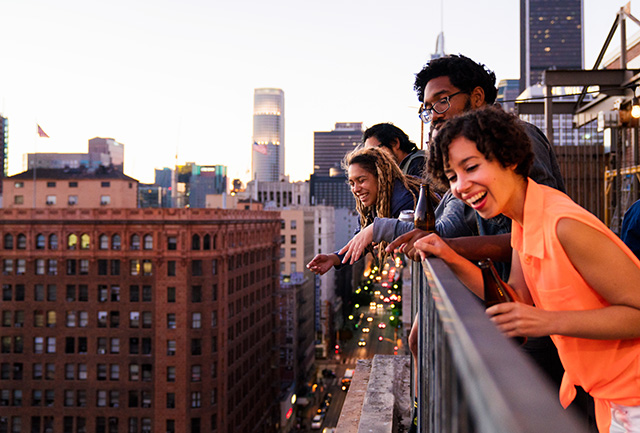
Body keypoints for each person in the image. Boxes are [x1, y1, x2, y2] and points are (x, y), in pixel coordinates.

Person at [414, 106, 640, 433]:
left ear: (510, 159)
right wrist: (449, 257)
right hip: (608, 398)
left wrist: (547, 321)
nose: (461, 186)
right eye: (452, 176)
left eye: (471, 167)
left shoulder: (563, 224)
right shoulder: (527, 219)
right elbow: (517, 299)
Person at [306, 146, 422, 275]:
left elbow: (421, 233)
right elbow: (360, 240)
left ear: (381, 177)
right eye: (352, 183)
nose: (355, 189)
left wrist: (377, 228)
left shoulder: (405, 198)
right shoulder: (374, 204)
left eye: (361, 181)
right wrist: (333, 258)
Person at [362, 123, 427, 178]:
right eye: (368, 154)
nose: (373, 157)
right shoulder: (402, 168)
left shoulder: (418, 163)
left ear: (395, 143)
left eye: (375, 151)